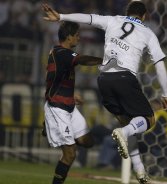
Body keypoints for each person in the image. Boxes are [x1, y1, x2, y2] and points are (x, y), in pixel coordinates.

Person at [42, 1, 167, 183]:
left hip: (104, 81)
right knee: (148, 119)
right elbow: (160, 65)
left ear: (128, 12)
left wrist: (61, 17)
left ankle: (140, 171)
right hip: (124, 78)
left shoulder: (113, 20)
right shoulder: (147, 32)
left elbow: (88, 19)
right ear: (144, 16)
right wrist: (165, 94)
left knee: (131, 123)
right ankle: (124, 134)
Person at [43, 21, 102, 184]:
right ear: (68, 37)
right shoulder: (62, 52)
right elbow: (83, 60)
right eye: (77, 35)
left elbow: (53, 79)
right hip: (57, 108)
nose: (79, 38)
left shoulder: (59, 54)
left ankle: (61, 134)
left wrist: (70, 94)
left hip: (68, 105)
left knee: (87, 142)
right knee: (70, 154)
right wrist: (104, 60)